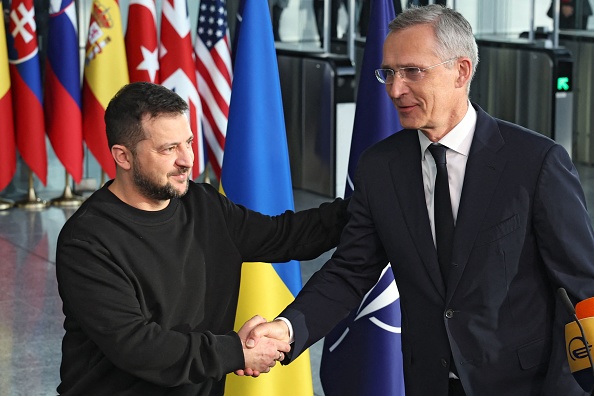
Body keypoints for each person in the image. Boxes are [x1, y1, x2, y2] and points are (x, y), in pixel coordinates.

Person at [244, 5, 594, 395]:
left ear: (461, 70)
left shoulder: (535, 163)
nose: (395, 89)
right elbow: (350, 270)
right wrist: (287, 328)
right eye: (389, 73)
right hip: (428, 381)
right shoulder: (380, 167)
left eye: (412, 71)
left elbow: (584, 291)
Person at [55, 82, 349, 395]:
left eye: (189, 143)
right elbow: (136, 346)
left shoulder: (203, 204)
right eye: (169, 149)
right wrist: (236, 350)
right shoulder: (87, 240)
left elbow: (287, 236)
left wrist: (369, 205)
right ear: (123, 157)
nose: (187, 159)